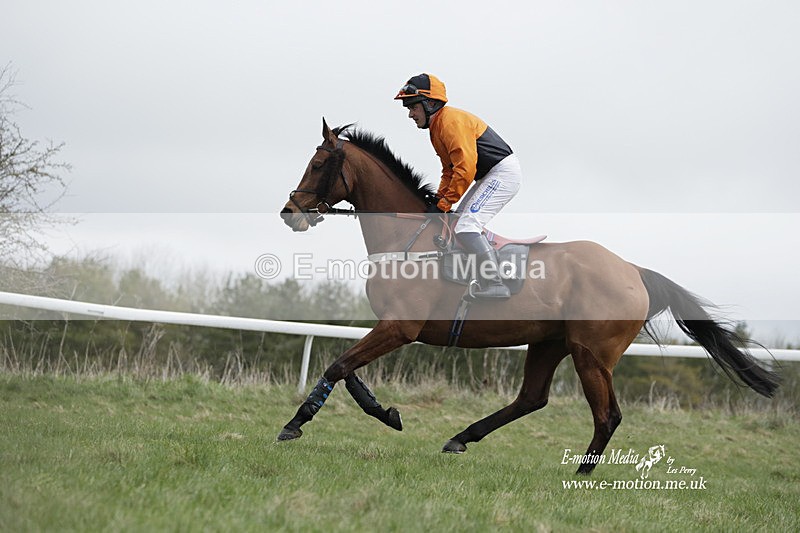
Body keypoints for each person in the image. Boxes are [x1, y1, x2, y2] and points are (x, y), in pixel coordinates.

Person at [394, 73, 522, 299]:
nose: (410, 114)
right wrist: (439, 198)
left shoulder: (450, 122)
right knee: (457, 223)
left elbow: (465, 168)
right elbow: (449, 170)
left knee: (466, 226)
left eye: (413, 107)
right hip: (489, 175)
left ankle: (496, 282)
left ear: (430, 104)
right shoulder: (437, 128)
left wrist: (445, 203)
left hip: (502, 174)